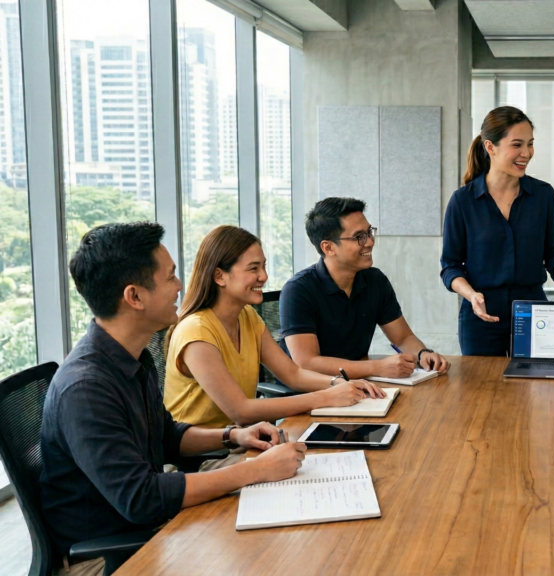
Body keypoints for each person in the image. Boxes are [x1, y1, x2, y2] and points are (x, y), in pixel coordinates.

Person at [40, 223, 307, 576]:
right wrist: (255, 469)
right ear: (134, 297)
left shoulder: (132, 356)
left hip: (147, 530)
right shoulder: (86, 388)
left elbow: (166, 436)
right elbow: (142, 498)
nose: (180, 286)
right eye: (170, 278)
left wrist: (233, 436)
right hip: (108, 558)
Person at [163, 225, 384, 432]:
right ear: (219, 276)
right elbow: (240, 411)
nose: (264, 277)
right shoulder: (196, 332)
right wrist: (328, 396)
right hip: (207, 457)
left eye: (264, 266)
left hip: (247, 442)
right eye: (253, 269)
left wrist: (339, 383)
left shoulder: (247, 316)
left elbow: (292, 373)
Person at [441, 106, 554, 356]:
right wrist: (471, 295)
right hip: (481, 317)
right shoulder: (463, 201)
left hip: (535, 313)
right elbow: (450, 266)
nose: (526, 153)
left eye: (530, 144)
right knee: (481, 392)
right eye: (517, 144)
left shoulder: (543, 195)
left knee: (533, 391)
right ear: (490, 147)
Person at [280, 197, 450, 380]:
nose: (369, 242)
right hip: (311, 394)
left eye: (369, 232)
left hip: (358, 386)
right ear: (328, 247)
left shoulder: (375, 280)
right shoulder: (298, 290)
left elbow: (402, 338)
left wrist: (423, 354)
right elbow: (307, 363)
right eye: (359, 237)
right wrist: (377, 367)